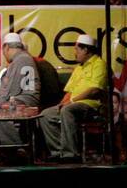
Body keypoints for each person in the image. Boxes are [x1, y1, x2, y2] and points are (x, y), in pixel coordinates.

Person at [38, 34, 108, 162]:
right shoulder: (78, 69)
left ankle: (71, 154)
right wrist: (61, 104)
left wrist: (70, 102)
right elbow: (69, 92)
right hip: (72, 104)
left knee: (68, 110)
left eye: (77, 49)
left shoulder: (99, 64)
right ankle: (57, 152)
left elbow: (94, 90)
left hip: (90, 106)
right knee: (45, 114)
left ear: (85, 50)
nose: (75, 52)